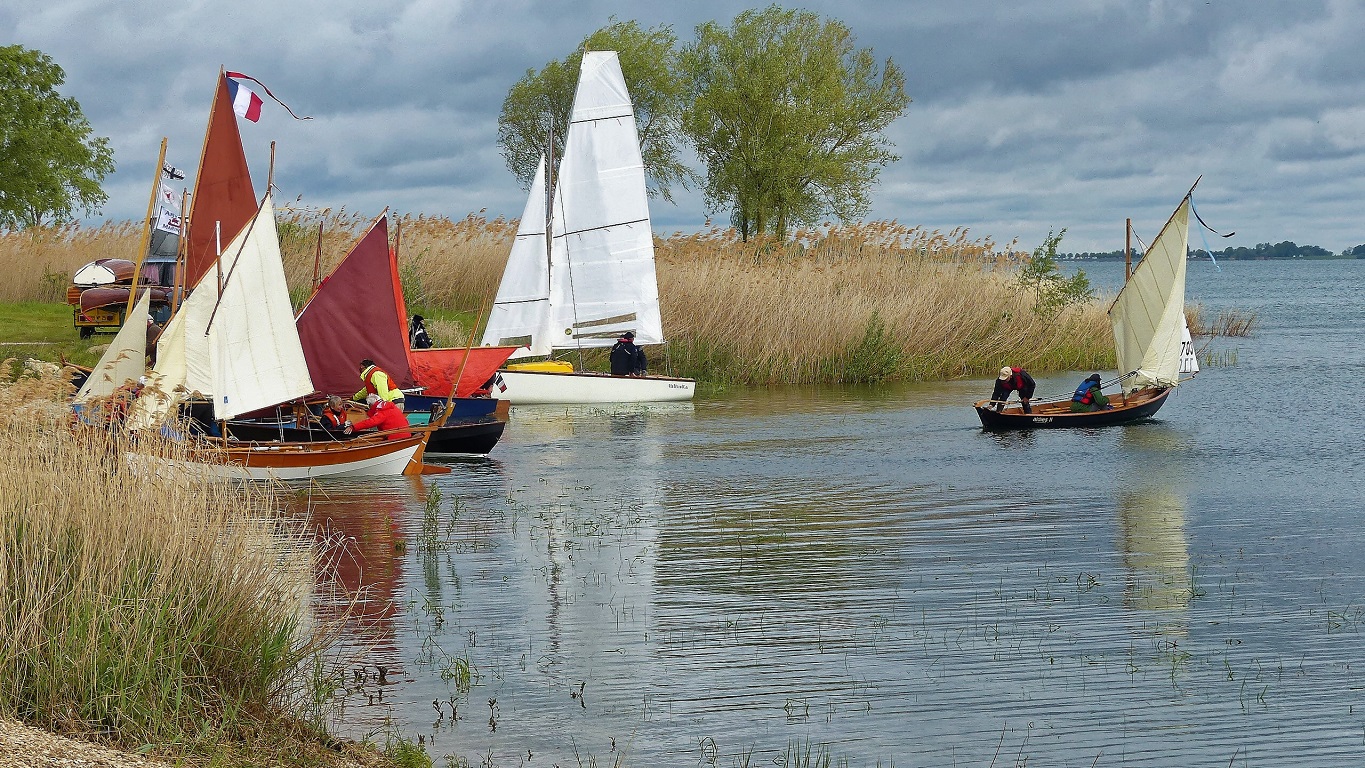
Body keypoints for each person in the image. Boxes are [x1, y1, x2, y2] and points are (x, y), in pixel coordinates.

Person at [345, 393, 411, 440]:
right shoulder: (391, 407)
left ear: (371, 405)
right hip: (406, 435)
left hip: (396, 438)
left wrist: (353, 427)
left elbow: (371, 422)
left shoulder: (382, 410)